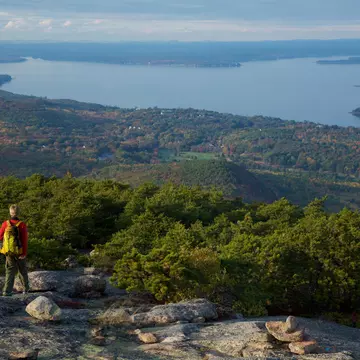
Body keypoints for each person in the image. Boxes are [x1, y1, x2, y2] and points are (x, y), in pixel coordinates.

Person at [0, 205, 29, 296]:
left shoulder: (5, 224)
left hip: (9, 252)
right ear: (18, 213)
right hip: (20, 252)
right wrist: (24, 253)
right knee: (22, 271)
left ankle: (7, 291)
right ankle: (26, 290)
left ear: (10, 213)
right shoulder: (22, 224)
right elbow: (24, 240)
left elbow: (0, 236)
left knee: (10, 271)